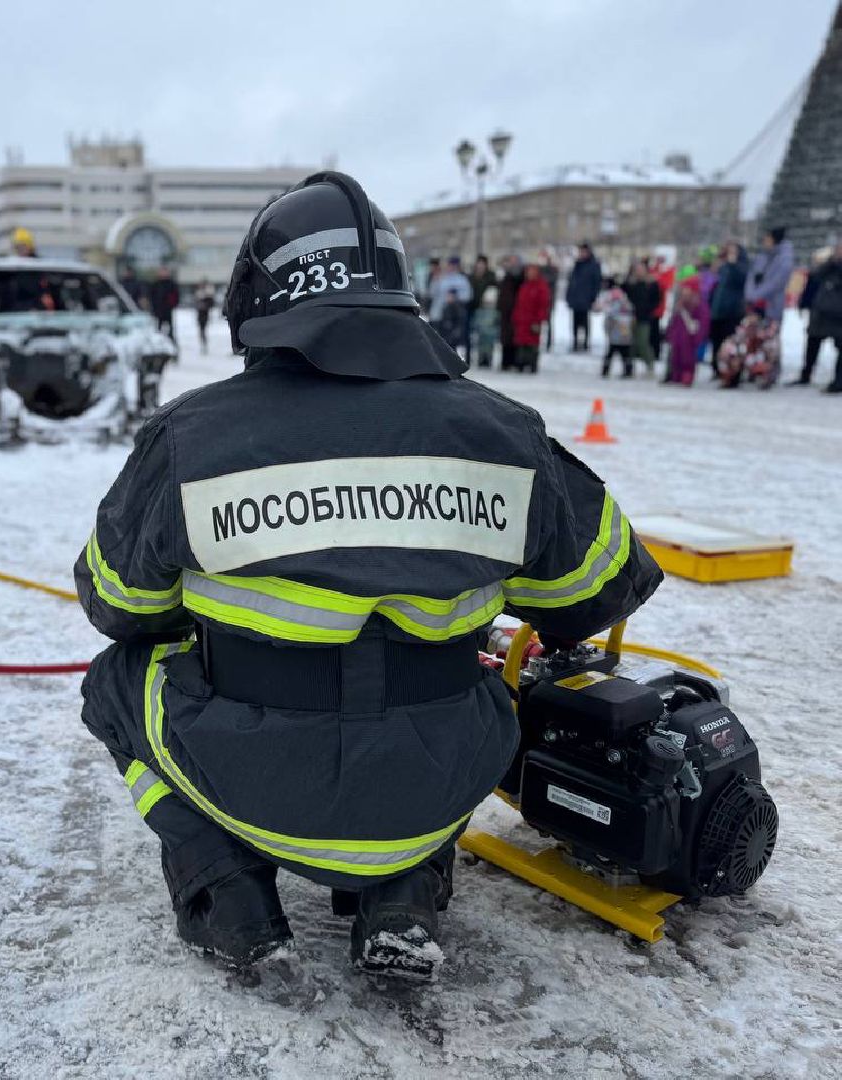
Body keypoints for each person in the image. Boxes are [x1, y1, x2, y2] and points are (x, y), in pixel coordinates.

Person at [75, 170, 662, 981]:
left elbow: (118, 605)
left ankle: (229, 895)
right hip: (438, 775)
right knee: (470, 683)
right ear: (398, 293)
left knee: (114, 683)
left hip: (253, 776)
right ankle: (403, 893)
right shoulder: (503, 429)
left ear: (257, 296)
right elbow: (598, 592)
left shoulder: (190, 436)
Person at [796, 240, 842, 391]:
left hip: (838, 313)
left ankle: (838, 381)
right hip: (821, 310)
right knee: (812, 343)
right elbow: (816, 276)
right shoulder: (829, 266)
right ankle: (806, 374)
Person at [709, 241, 749, 375]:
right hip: (718, 310)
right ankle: (717, 367)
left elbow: (741, 281)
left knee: (730, 342)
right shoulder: (724, 266)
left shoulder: (741, 266)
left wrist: (733, 264)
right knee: (716, 341)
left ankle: (731, 371)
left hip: (732, 311)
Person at [717, 307, 781, 389]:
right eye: (749, 326)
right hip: (742, 358)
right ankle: (729, 380)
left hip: (757, 359)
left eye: (754, 326)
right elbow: (724, 352)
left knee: (764, 365)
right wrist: (735, 360)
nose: (751, 329)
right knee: (727, 360)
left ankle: (764, 380)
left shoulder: (767, 338)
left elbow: (773, 356)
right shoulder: (738, 337)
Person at [662, 279, 710, 387]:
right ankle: (677, 375)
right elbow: (675, 321)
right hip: (678, 336)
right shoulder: (681, 304)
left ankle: (687, 375)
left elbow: (703, 322)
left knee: (687, 357)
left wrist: (698, 336)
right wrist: (670, 333)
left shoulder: (699, 305)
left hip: (690, 337)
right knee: (676, 356)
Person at [744, 228, 794, 325]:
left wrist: (756, 295)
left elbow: (776, 283)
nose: (764, 241)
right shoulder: (762, 256)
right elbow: (752, 275)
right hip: (753, 306)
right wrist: (750, 294)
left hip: (771, 307)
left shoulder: (785, 259)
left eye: (767, 239)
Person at [511, 263, 551, 373]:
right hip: (522, 321)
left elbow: (543, 305)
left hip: (533, 322)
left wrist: (538, 321)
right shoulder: (524, 285)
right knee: (521, 344)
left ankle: (532, 365)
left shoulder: (541, 286)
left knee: (532, 345)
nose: (529, 274)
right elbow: (519, 304)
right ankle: (521, 365)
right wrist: (516, 317)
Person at [622, 262, 660, 377]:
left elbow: (656, 300)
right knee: (629, 344)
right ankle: (628, 368)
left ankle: (650, 365)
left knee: (643, 342)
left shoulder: (651, 284)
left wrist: (648, 310)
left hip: (644, 318)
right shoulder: (630, 283)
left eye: (641, 269)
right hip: (629, 318)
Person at [564, 243, 603, 352]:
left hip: (586, 298)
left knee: (585, 321)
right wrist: (569, 296)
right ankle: (575, 342)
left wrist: (593, 296)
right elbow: (571, 281)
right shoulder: (577, 264)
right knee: (575, 322)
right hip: (576, 298)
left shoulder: (593, 265)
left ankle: (585, 342)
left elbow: (597, 282)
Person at [595, 278, 635, 378]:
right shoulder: (625, 304)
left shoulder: (612, 305)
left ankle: (606, 370)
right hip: (623, 332)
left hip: (617, 333)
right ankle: (627, 370)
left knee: (613, 353)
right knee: (623, 353)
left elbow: (606, 320)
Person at [465, 255, 496, 366]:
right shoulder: (472, 276)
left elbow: (493, 291)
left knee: (486, 336)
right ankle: (471, 357)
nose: (480, 265)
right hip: (473, 308)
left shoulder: (490, 276)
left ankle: (486, 359)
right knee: (473, 335)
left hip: (486, 310)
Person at [426, 256, 472, 325]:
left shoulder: (462, 280)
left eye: (453, 265)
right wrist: (435, 280)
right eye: (450, 265)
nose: (451, 267)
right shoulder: (441, 278)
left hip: (456, 316)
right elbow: (431, 294)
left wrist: (455, 297)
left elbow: (468, 296)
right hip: (439, 315)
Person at [496, 255, 523, 369]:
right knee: (506, 339)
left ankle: (514, 362)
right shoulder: (505, 277)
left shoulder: (519, 277)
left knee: (514, 338)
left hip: (516, 311)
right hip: (505, 311)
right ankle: (505, 362)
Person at [471, 285, 500, 369]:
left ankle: (488, 361)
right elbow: (476, 322)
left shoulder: (496, 313)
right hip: (482, 333)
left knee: (489, 348)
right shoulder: (480, 311)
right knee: (481, 348)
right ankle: (481, 361)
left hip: (491, 334)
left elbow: (497, 324)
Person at [150, 267, 180, 338]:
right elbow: (152, 296)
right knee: (159, 326)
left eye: (165, 272)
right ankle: (159, 339)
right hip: (158, 309)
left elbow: (176, 295)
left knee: (170, 327)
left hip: (168, 309)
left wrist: (173, 304)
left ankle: (171, 339)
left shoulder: (171, 284)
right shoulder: (156, 284)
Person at [436, 288, 468, 353]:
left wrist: (455, 334)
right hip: (446, 334)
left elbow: (460, 323)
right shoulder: (446, 307)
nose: (448, 298)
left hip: (453, 337)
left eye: (450, 296)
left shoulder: (458, 308)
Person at [195, 280, 216, 353]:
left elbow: (211, 304)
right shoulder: (199, 294)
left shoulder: (207, 295)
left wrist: (205, 305)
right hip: (200, 314)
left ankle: (204, 344)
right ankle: (203, 344)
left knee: (203, 330)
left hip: (204, 315)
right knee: (201, 330)